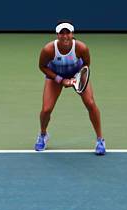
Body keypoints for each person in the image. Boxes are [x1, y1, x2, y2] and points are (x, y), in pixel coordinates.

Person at [34, 20, 105, 155]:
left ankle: (100, 140)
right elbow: (42, 67)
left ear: (72, 34)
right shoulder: (48, 50)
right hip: (55, 76)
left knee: (90, 103)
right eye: (62, 33)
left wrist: (77, 78)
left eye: (68, 33)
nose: (65, 36)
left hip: (76, 74)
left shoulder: (81, 48)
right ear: (57, 35)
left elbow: (86, 65)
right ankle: (43, 135)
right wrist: (60, 80)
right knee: (46, 109)